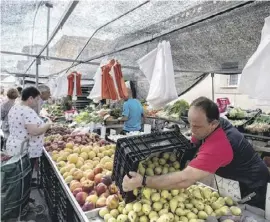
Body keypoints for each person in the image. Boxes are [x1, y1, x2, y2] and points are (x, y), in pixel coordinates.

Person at [122, 97, 270, 209]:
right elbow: (193, 143)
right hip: (234, 183)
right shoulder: (210, 126)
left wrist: (143, 181)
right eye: (190, 124)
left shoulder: (220, 144)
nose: (192, 130)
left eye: (197, 126)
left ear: (213, 124)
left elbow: (184, 180)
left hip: (253, 190)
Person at [6, 86, 51, 171]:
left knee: (17, 175)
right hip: (25, 151)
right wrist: (48, 124)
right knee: (24, 177)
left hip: (15, 146)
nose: (37, 102)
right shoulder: (27, 111)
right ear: (30, 98)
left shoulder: (15, 107)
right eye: (37, 99)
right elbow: (34, 131)